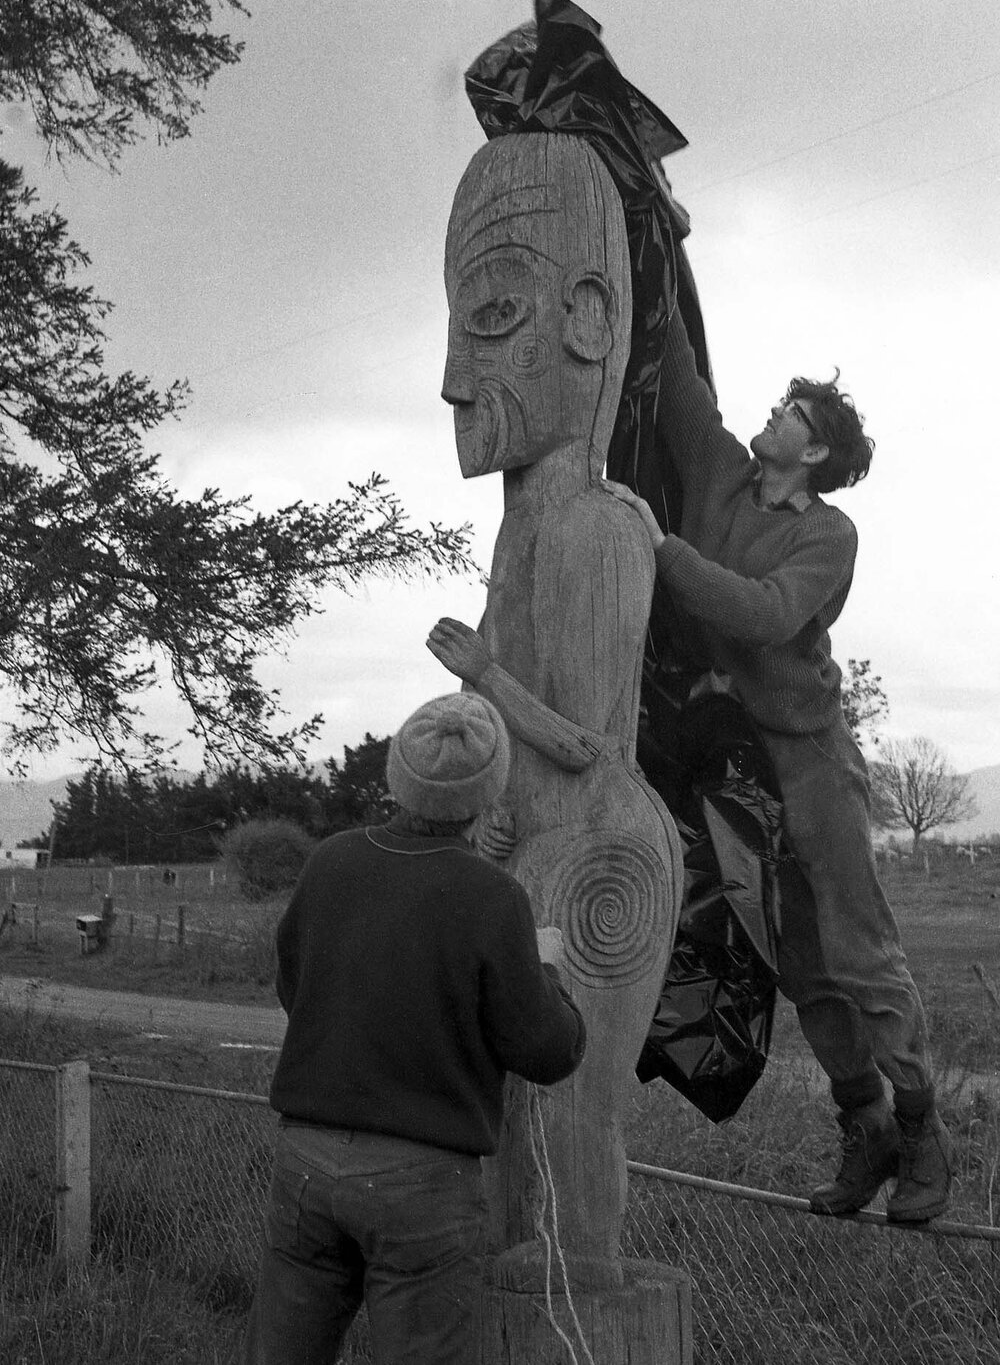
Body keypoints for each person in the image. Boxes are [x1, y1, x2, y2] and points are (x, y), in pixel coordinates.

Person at [604, 304, 952, 1224]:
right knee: (800, 961)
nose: (777, 414)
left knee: (860, 951)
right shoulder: (721, 470)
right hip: (739, 762)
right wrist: (659, 232)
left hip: (810, 757)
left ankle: (922, 1130)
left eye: (795, 412)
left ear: (817, 455)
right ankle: (866, 1126)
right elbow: (678, 376)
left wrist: (661, 546)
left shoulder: (826, 536)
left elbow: (763, 615)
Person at [242, 691, 586, 1365]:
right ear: (490, 791)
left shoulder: (331, 861)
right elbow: (546, 1049)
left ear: (399, 775)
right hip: (423, 1184)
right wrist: (545, 970)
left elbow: (295, 987)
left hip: (308, 1162)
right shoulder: (493, 897)